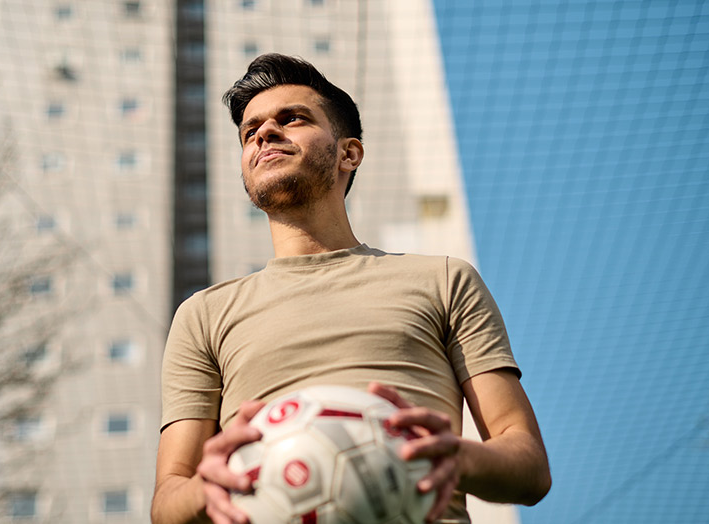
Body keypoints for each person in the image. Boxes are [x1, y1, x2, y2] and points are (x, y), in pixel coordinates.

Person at [151, 54, 551, 524]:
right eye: (249, 131)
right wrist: (207, 487)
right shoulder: (203, 314)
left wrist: (457, 457)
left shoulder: (445, 279)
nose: (263, 133)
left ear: (349, 153)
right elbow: (167, 501)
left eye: (292, 118)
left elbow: (529, 464)